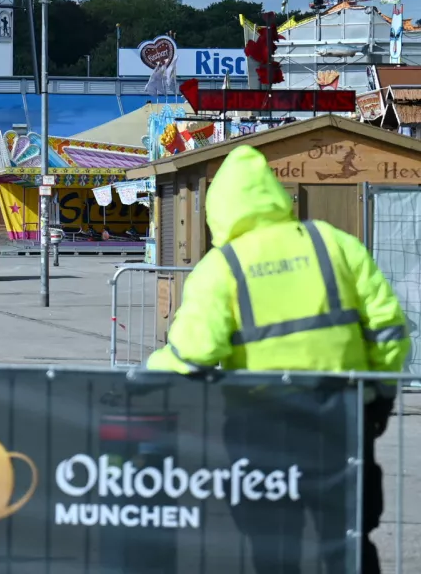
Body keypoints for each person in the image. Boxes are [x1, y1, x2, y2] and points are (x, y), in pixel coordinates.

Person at [146, 145, 409, 574]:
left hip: (261, 428)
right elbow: (389, 330)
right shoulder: (334, 243)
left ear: (219, 210)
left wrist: (144, 375)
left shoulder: (221, 268)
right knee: (347, 540)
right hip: (340, 420)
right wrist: (378, 395)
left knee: (273, 545)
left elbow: (193, 353)